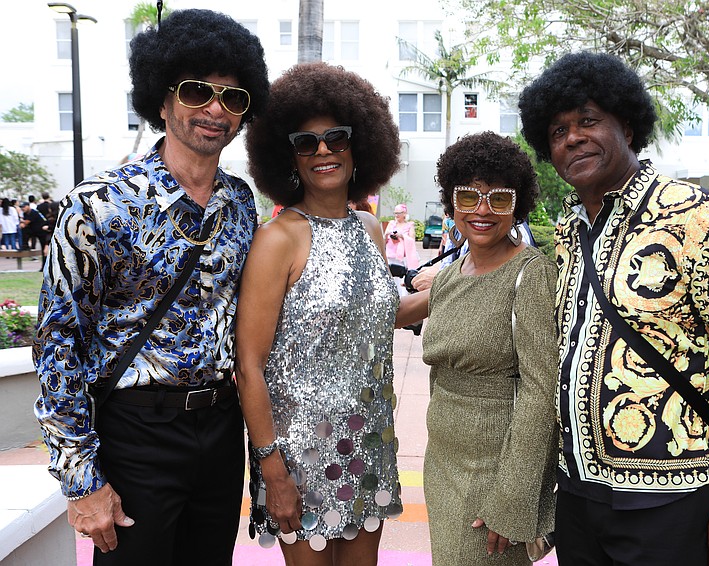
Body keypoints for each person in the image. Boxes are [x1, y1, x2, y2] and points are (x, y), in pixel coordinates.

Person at [518, 51, 709, 566]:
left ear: (629, 125)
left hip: (671, 501)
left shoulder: (700, 217)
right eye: (557, 131)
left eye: (588, 121)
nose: (571, 137)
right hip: (578, 498)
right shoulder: (571, 231)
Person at [32, 9, 269, 565]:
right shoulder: (98, 203)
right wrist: (80, 480)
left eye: (233, 98)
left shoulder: (240, 205)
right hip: (135, 430)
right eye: (196, 91)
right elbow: (58, 340)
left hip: (218, 427)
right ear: (161, 99)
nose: (215, 109)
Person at [237, 62, 428, 566]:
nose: (323, 151)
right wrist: (271, 470)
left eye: (336, 138)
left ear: (358, 146)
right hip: (299, 456)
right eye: (306, 143)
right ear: (289, 158)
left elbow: (375, 318)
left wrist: (467, 279)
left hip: (368, 439)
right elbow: (248, 364)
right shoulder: (278, 239)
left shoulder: (368, 227)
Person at [421, 131, 559, 565]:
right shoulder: (447, 276)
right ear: (451, 203)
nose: (482, 211)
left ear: (517, 207)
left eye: (498, 199)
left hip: (493, 473)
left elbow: (541, 390)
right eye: (468, 197)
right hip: (441, 462)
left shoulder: (531, 274)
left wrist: (513, 497)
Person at [384, 203, 419, 271]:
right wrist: (387, 235)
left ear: (404, 213)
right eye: (395, 213)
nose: (397, 215)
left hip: (403, 257)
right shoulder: (391, 223)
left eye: (398, 213)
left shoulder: (409, 225)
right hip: (390, 255)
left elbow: (412, 240)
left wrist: (402, 236)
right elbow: (384, 240)